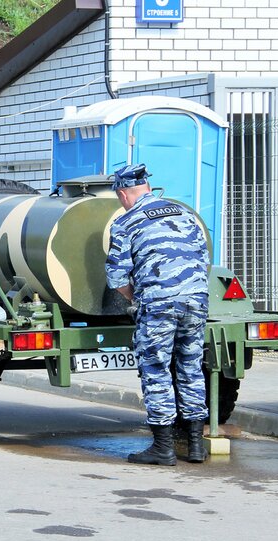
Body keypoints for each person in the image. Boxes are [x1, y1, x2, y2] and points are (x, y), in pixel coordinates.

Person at [105, 163, 210, 466]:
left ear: (123, 193)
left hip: (158, 303)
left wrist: (138, 297)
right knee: (190, 367)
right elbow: (203, 260)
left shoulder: (126, 223)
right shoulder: (184, 214)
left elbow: (116, 277)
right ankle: (195, 446)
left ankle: (162, 447)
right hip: (197, 299)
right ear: (148, 188)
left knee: (156, 370)